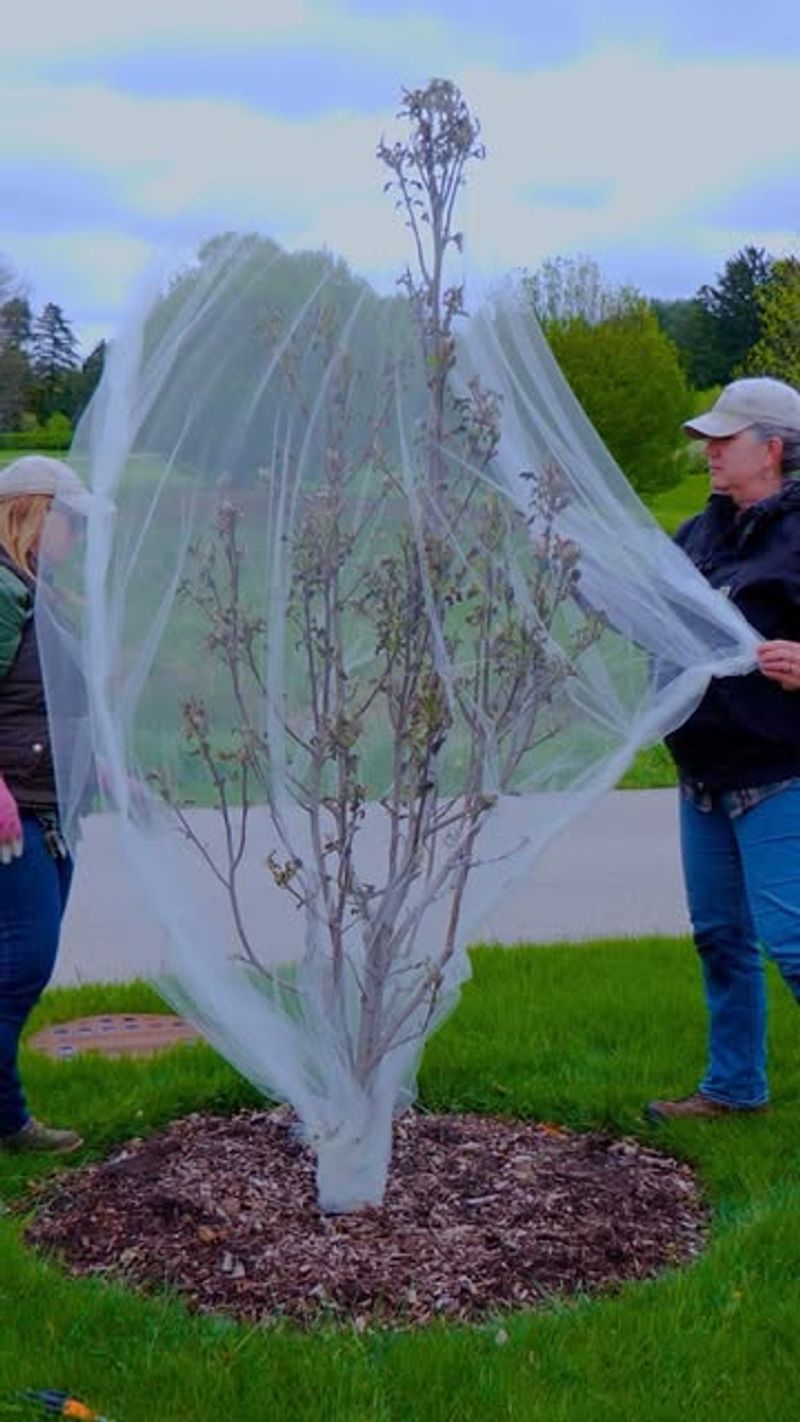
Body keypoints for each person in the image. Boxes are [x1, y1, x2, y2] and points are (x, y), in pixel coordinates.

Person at [647, 377, 800, 1121]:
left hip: (780, 775)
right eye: (708, 438)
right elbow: (656, 617)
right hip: (703, 777)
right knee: (720, 940)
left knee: (794, 943)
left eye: (725, 439)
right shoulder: (697, 536)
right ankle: (735, 1091)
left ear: (772, 450)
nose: (708, 451)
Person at [0, 455, 101, 1154]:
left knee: (20, 966)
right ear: (32, 514)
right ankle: (8, 1122)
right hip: (12, 813)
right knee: (20, 965)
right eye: (71, 522)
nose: (78, 537)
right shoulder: (1, 591)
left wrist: (109, 775)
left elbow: (53, 707)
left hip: (46, 805)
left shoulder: (35, 592)